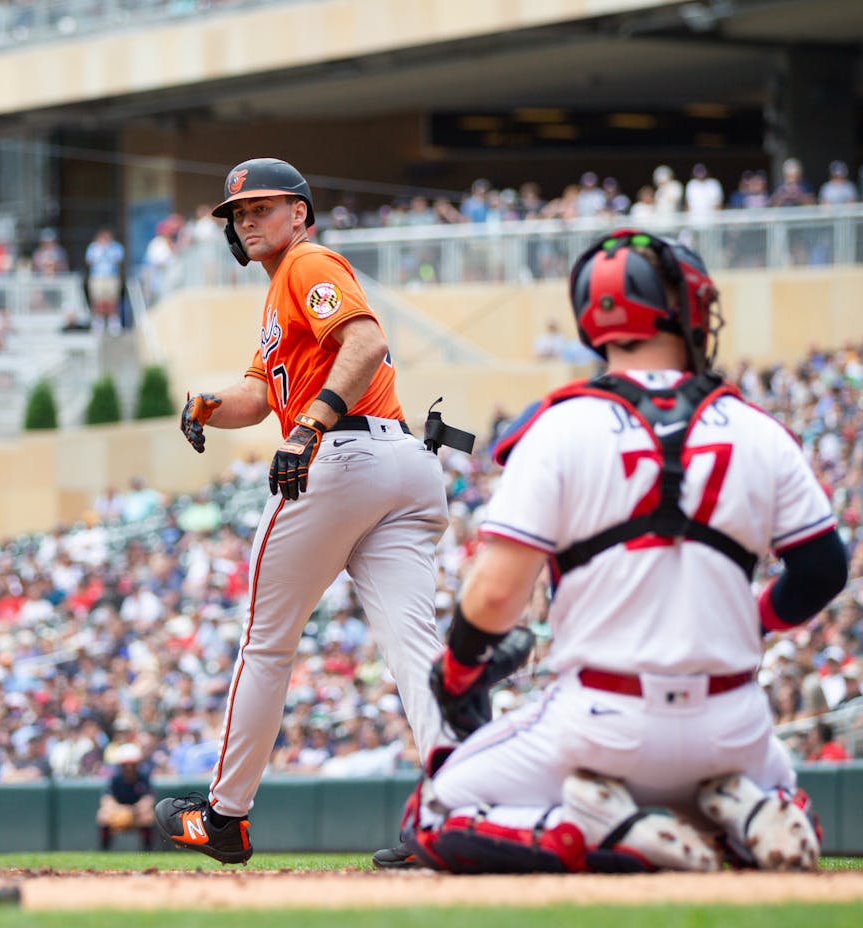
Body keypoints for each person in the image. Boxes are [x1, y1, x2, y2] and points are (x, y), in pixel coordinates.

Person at [401, 228, 849, 874]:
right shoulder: (758, 429)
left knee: (433, 812)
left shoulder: (558, 426)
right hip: (732, 722)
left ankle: (597, 829)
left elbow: (497, 594)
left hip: (598, 721)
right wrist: (754, 621)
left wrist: (460, 670)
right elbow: (822, 569)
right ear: (682, 310)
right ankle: (750, 811)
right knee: (760, 783)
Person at [156, 157, 453, 864]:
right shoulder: (280, 295)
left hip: (343, 460)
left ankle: (224, 818)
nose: (248, 221)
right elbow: (258, 397)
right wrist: (207, 404)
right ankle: (459, 811)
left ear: (299, 212)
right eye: (238, 213)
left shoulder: (306, 263)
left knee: (266, 641)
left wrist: (309, 425)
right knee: (416, 650)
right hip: (404, 467)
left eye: (262, 207)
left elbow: (368, 342)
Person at [97, 744, 155, 851]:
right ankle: (104, 851)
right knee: (103, 815)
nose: (129, 768)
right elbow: (106, 800)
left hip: (136, 814)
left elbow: (148, 800)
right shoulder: (116, 779)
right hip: (118, 813)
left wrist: (133, 810)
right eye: (125, 765)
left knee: (148, 816)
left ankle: (148, 851)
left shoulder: (142, 778)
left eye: (132, 765)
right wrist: (120, 810)